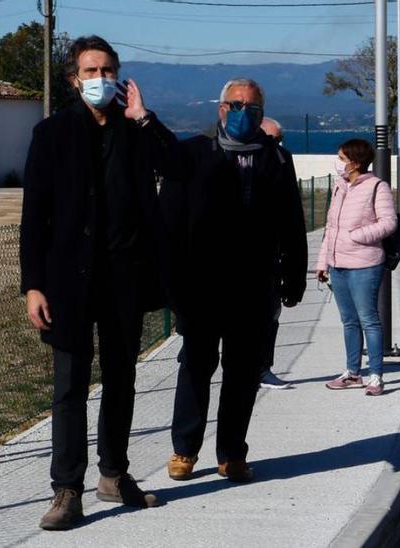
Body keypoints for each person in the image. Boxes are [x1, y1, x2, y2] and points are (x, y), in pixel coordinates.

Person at [20, 35, 163, 530]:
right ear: (73, 78)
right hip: (68, 283)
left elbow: (179, 167)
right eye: (90, 70)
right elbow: (33, 215)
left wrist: (143, 117)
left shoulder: (135, 131)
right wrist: (33, 285)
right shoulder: (52, 133)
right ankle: (66, 489)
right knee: (70, 387)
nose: (100, 79)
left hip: (125, 279)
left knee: (122, 380)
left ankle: (114, 474)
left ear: (119, 76)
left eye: (107, 70)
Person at [139, 78, 308, 484]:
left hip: (254, 289)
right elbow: (170, 223)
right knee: (196, 366)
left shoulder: (277, 160)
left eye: (251, 107)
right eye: (235, 105)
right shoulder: (194, 155)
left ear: (262, 112)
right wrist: (171, 285)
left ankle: (232, 453)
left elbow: (292, 222)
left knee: (243, 373)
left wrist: (294, 277)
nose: (242, 113)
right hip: (201, 288)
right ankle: (185, 449)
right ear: (221, 109)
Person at [317, 138, 398, 396]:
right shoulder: (340, 186)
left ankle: (375, 375)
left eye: (341, 158)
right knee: (349, 321)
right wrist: (323, 262)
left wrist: (356, 236)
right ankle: (353, 372)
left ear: (355, 162)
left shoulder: (377, 186)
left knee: (368, 320)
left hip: (365, 264)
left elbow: (388, 223)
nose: (338, 162)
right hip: (338, 264)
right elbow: (330, 228)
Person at [257, 116, 294, 390]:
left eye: (280, 139)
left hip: (270, 261)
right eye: (273, 139)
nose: (277, 145)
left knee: (270, 316)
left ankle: (262, 368)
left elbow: (291, 217)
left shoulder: (282, 163)